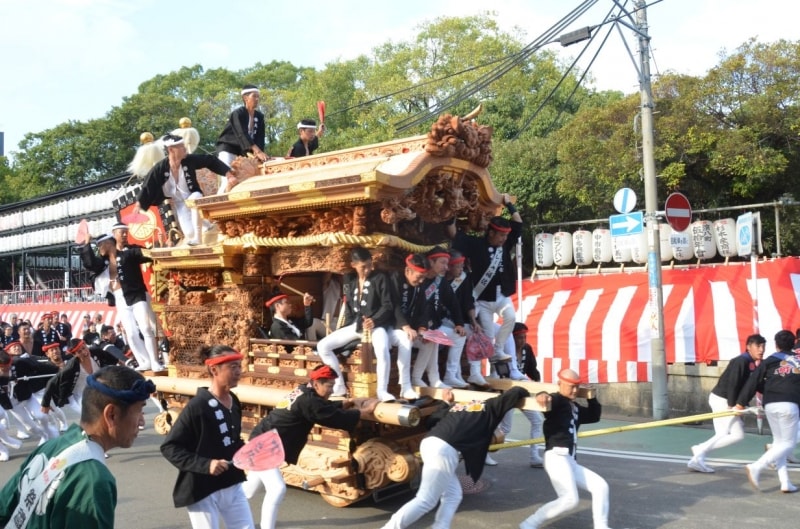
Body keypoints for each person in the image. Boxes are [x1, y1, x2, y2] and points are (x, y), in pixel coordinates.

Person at [0, 365, 153, 528]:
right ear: (111, 415)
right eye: (140, 411)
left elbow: (4, 505)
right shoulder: (94, 480)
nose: (142, 421)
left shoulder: (52, 445)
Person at [243, 364, 378, 529]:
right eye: (329, 386)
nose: (332, 390)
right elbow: (330, 416)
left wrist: (348, 402)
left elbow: (322, 408)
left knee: (248, 491)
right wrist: (364, 412)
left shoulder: (305, 391)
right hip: (265, 446)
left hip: (264, 441)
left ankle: (218, 502)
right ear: (316, 384)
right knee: (277, 489)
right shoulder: (309, 400)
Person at [379, 386, 530, 529]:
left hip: (429, 443)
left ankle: (441, 526)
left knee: (453, 495)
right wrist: (537, 395)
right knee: (426, 500)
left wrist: (445, 402)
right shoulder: (490, 405)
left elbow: (432, 421)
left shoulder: (458, 407)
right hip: (444, 450)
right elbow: (516, 391)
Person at [160, 345, 255, 529]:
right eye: (233, 367)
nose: (239, 372)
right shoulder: (198, 406)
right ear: (214, 370)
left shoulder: (233, 401)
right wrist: (206, 464)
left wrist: (247, 451)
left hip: (231, 481)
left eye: (239, 366)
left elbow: (231, 440)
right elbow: (170, 447)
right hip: (202, 486)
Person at [520, 369, 612, 529]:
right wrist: (541, 394)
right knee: (569, 499)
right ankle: (529, 524)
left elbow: (594, 416)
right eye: (571, 386)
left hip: (570, 461)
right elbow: (547, 399)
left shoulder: (574, 407)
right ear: (560, 384)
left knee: (600, 486)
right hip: (556, 457)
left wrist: (592, 397)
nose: (575, 390)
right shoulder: (557, 400)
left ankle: (601, 526)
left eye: (577, 386)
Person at [447, 193, 521, 364]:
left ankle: (498, 349)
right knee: (487, 334)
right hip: (483, 299)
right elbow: (453, 234)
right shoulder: (475, 245)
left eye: (505, 236)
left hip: (502, 294)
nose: (504, 239)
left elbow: (518, 223)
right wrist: (451, 211)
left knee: (510, 317)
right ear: (491, 233)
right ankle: (486, 364)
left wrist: (509, 204)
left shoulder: (506, 243)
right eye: (501, 235)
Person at [315, 247, 396, 401]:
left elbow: (387, 305)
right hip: (357, 325)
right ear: (353, 265)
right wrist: (343, 328)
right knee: (322, 346)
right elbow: (350, 309)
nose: (367, 270)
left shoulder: (380, 278)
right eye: (363, 267)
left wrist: (375, 320)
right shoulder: (351, 281)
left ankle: (382, 390)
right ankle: (339, 384)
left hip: (377, 326)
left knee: (382, 349)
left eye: (369, 265)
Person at [688, 333, 766, 473]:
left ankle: (697, 458)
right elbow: (733, 383)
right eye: (758, 346)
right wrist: (731, 406)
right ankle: (700, 450)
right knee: (737, 435)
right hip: (722, 400)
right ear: (748, 347)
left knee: (722, 433)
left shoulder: (751, 364)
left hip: (721, 399)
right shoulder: (741, 361)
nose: (761, 350)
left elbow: (755, 385)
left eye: (763, 346)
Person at [137, 134, 234, 246]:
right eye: (181, 146)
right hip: (180, 202)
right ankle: (206, 224)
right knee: (189, 232)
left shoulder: (189, 160)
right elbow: (148, 185)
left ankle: (198, 239)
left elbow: (209, 160)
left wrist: (228, 173)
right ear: (171, 149)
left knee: (195, 200)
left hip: (193, 195)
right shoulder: (160, 168)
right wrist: (139, 205)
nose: (185, 148)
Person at [736, 329, 800, 493]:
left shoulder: (769, 361)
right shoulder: (798, 361)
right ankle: (757, 466)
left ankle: (785, 482)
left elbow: (753, 381)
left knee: (779, 443)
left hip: (770, 404)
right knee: (788, 443)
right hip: (789, 404)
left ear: (776, 345)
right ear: (793, 344)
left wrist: (741, 403)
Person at [411, 248, 466, 389]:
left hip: (434, 325)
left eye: (447, 264)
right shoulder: (418, 280)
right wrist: (421, 328)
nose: (446, 267)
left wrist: (459, 323)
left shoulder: (440, 281)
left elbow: (453, 303)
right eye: (443, 263)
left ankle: (450, 376)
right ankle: (431, 379)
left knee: (459, 336)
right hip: (417, 327)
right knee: (433, 339)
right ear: (431, 261)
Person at [495, 322, 544, 468]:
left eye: (524, 337)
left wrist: (537, 385)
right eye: (519, 338)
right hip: (507, 392)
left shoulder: (527, 349)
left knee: (537, 421)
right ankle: (484, 452)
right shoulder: (502, 352)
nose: (522, 341)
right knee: (505, 429)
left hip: (523, 392)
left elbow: (533, 371)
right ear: (511, 338)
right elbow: (500, 374)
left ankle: (534, 456)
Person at [388, 253, 431, 400]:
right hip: (390, 328)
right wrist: (405, 326)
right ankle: (405, 386)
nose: (421, 281)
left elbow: (423, 308)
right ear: (407, 271)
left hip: (410, 328)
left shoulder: (420, 285)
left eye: (424, 277)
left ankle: (417, 377)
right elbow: (394, 305)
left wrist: (422, 328)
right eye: (419, 277)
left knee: (430, 341)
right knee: (405, 339)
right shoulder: (395, 279)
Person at [444, 249, 486, 387]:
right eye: (459, 266)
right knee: (459, 335)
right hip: (444, 319)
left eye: (463, 266)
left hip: (460, 320)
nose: (461, 269)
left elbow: (469, 301)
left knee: (475, 332)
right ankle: (455, 375)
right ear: (449, 266)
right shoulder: (440, 280)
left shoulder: (464, 277)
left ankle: (475, 373)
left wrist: (474, 321)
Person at [216, 84, 268, 191]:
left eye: (258, 96)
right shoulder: (237, 114)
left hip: (241, 154)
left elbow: (260, 138)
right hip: (228, 149)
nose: (257, 99)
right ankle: (219, 205)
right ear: (245, 98)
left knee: (242, 180)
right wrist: (257, 151)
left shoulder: (259, 116)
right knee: (228, 179)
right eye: (254, 96)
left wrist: (260, 155)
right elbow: (241, 133)